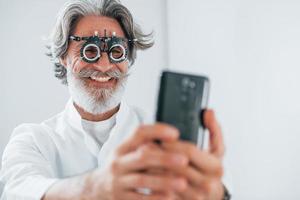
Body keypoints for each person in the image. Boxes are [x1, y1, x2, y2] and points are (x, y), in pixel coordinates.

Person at [0, 0, 230, 199]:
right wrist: (92, 190)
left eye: (117, 52)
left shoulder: (163, 134)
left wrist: (215, 194)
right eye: (89, 51)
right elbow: (17, 190)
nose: (103, 65)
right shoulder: (33, 140)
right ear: (63, 57)